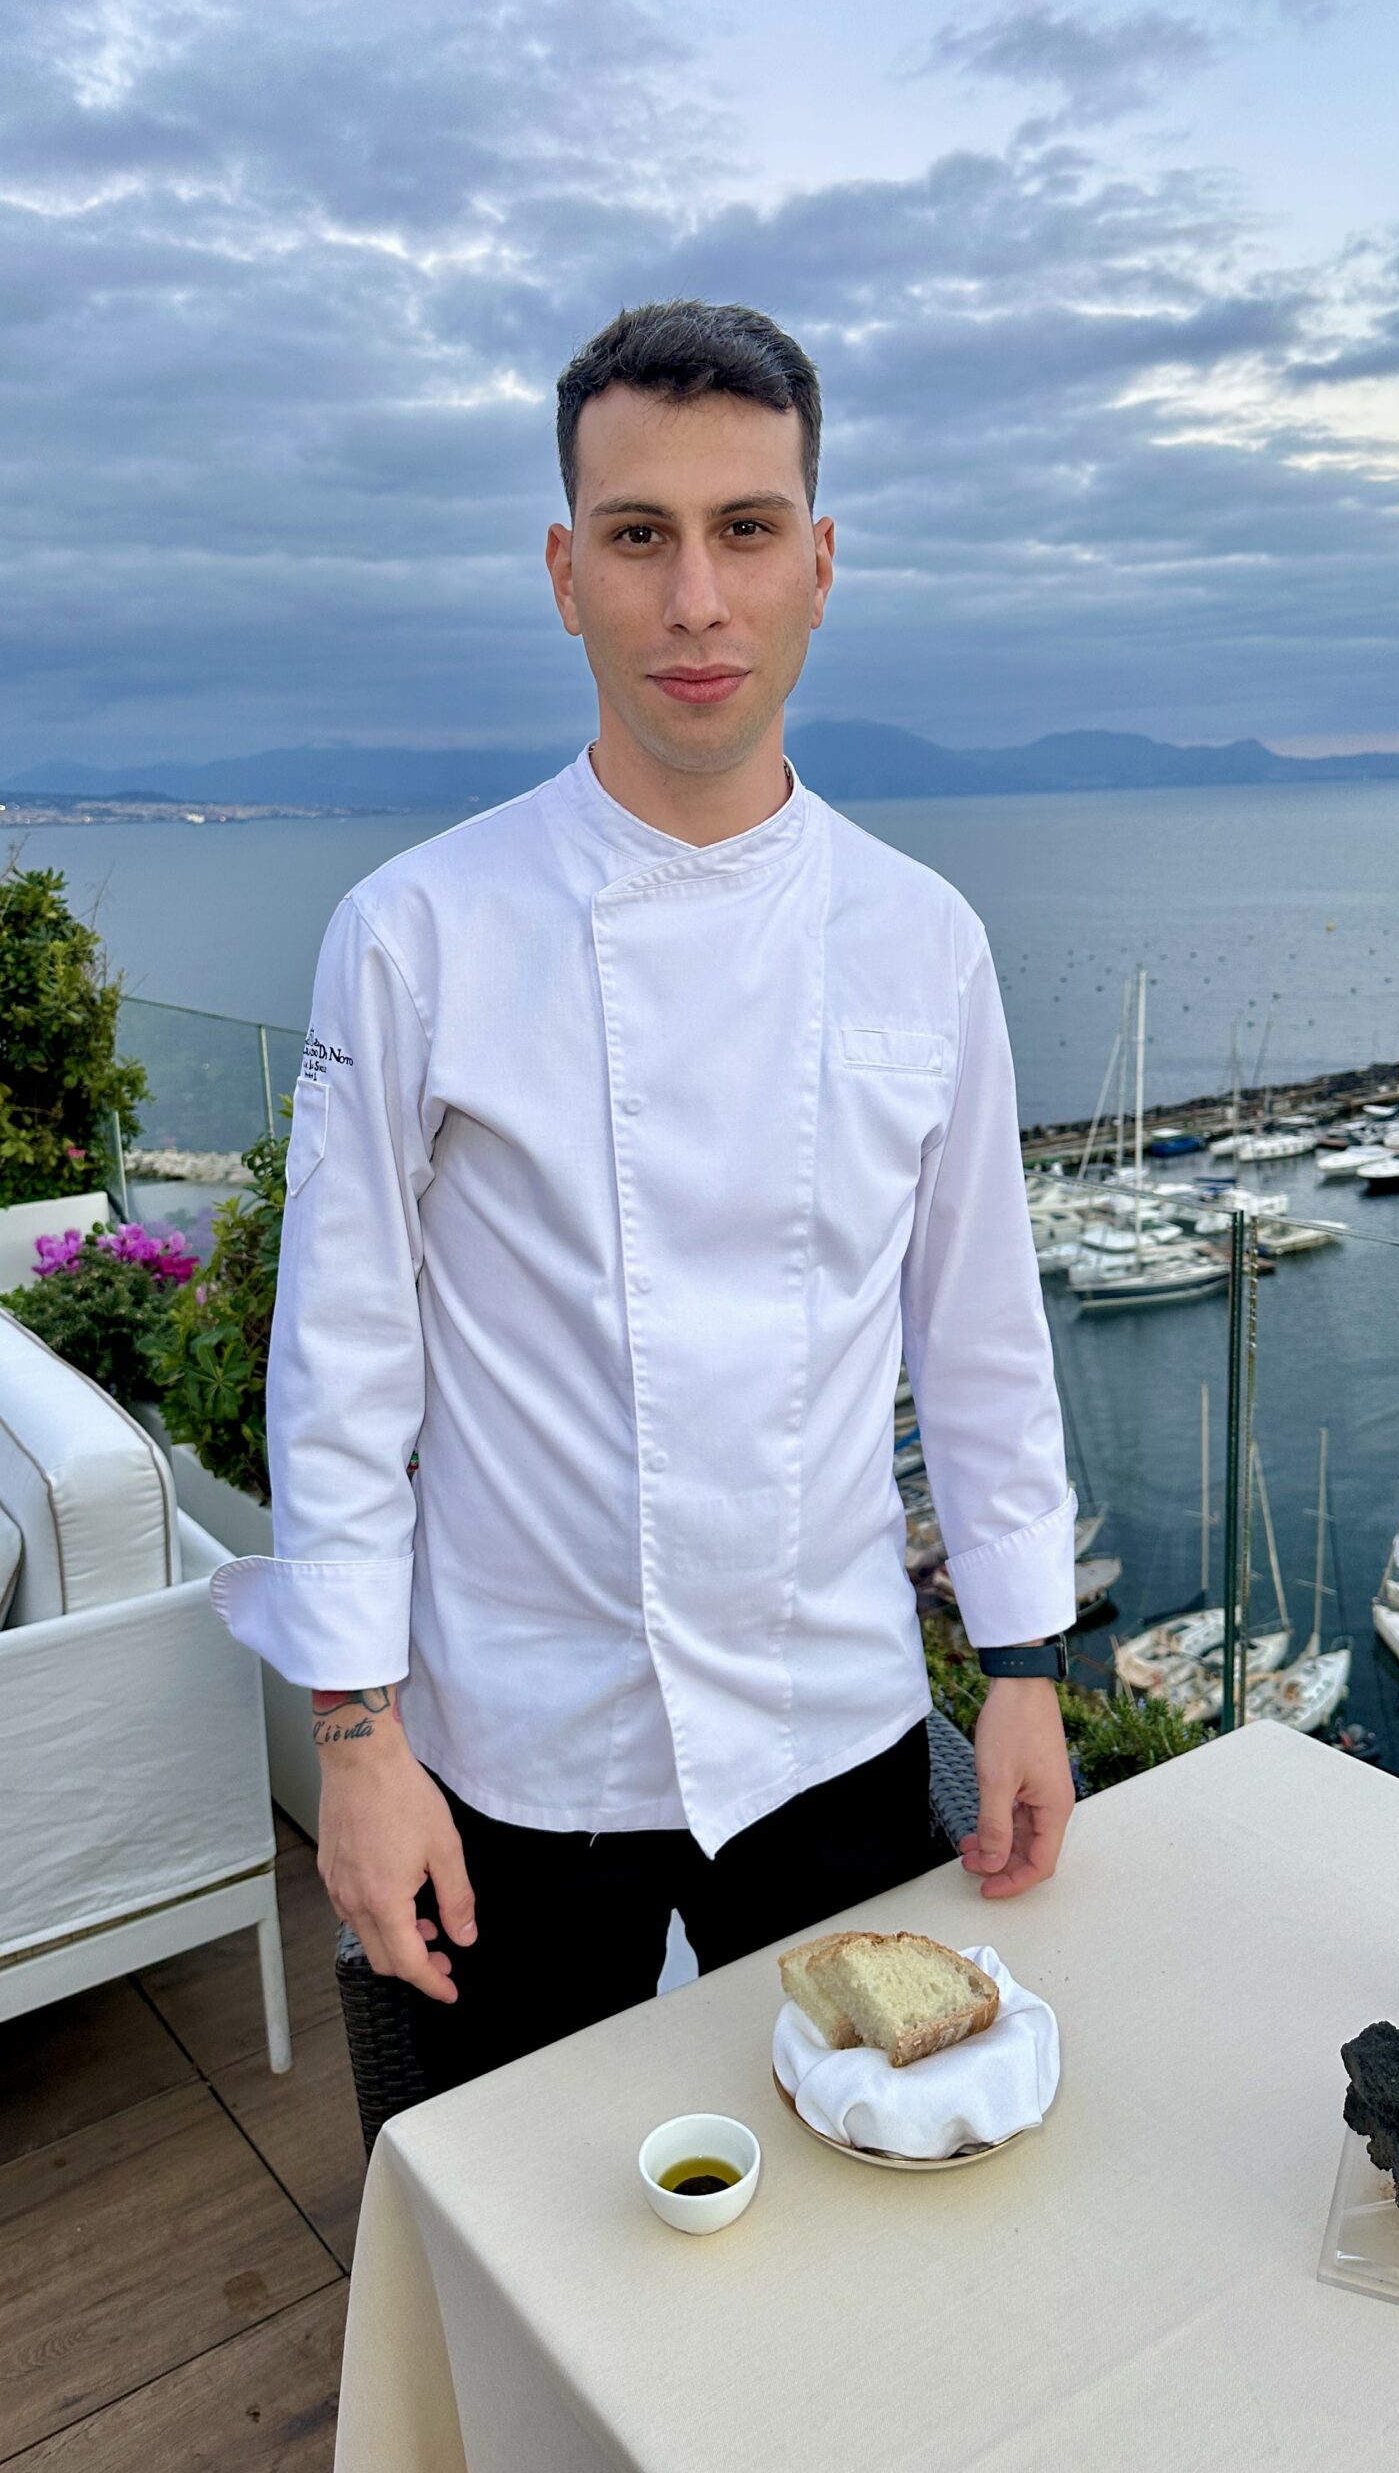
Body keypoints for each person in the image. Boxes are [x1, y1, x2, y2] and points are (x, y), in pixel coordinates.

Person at [210, 298, 1078, 2093]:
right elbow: (346, 1362)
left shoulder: (925, 940)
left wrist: (1023, 1665)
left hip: (828, 1727)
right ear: (565, 568)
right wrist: (356, 1743)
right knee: (488, 2226)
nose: (697, 601)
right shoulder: (416, 933)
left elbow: (981, 1338)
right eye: (640, 536)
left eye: (745, 532)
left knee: (885, 2205)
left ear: (819, 564)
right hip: (505, 1749)